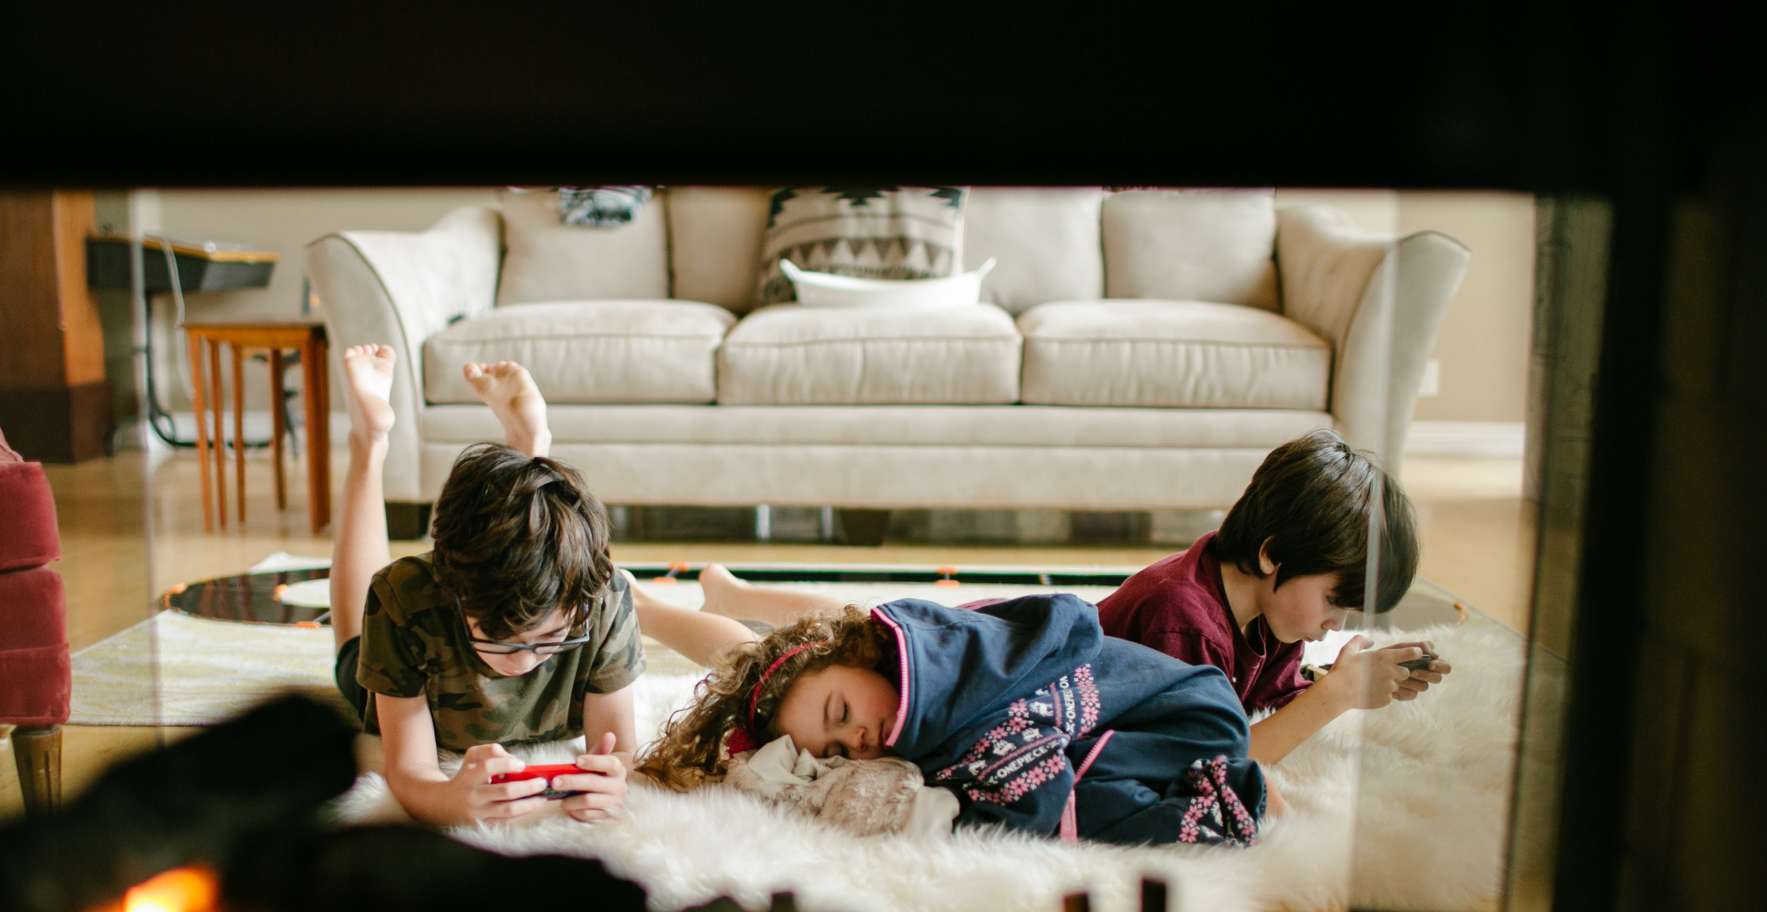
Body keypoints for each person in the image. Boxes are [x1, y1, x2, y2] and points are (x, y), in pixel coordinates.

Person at [635, 586, 1267, 847]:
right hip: (1170, 724)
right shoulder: (888, 699)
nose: (856, 742)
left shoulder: (942, 662)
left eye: (842, 712)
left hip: (1185, 715)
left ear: (861, 656)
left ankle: (718, 594)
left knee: (1081, 802)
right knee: (752, 663)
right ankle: (655, 606)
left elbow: (1036, 802)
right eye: (833, 750)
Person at [328, 346, 639, 826]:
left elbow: (621, 757)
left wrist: (613, 782)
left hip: (535, 576)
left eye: (550, 640)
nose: (523, 661)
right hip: (409, 668)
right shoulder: (407, 600)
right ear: (451, 588)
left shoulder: (603, 598)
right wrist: (448, 801)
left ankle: (529, 445)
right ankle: (369, 442)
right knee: (350, 649)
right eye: (497, 637)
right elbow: (409, 771)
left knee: (535, 537)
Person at [1098, 429, 1451, 767]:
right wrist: (1338, 693)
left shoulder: (1267, 607)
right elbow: (1205, 763)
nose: (1335, 625)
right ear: (1273, 555)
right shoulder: (1184, 621)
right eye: (1332, 600)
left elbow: (1274, 705)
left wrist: (1352, 679)